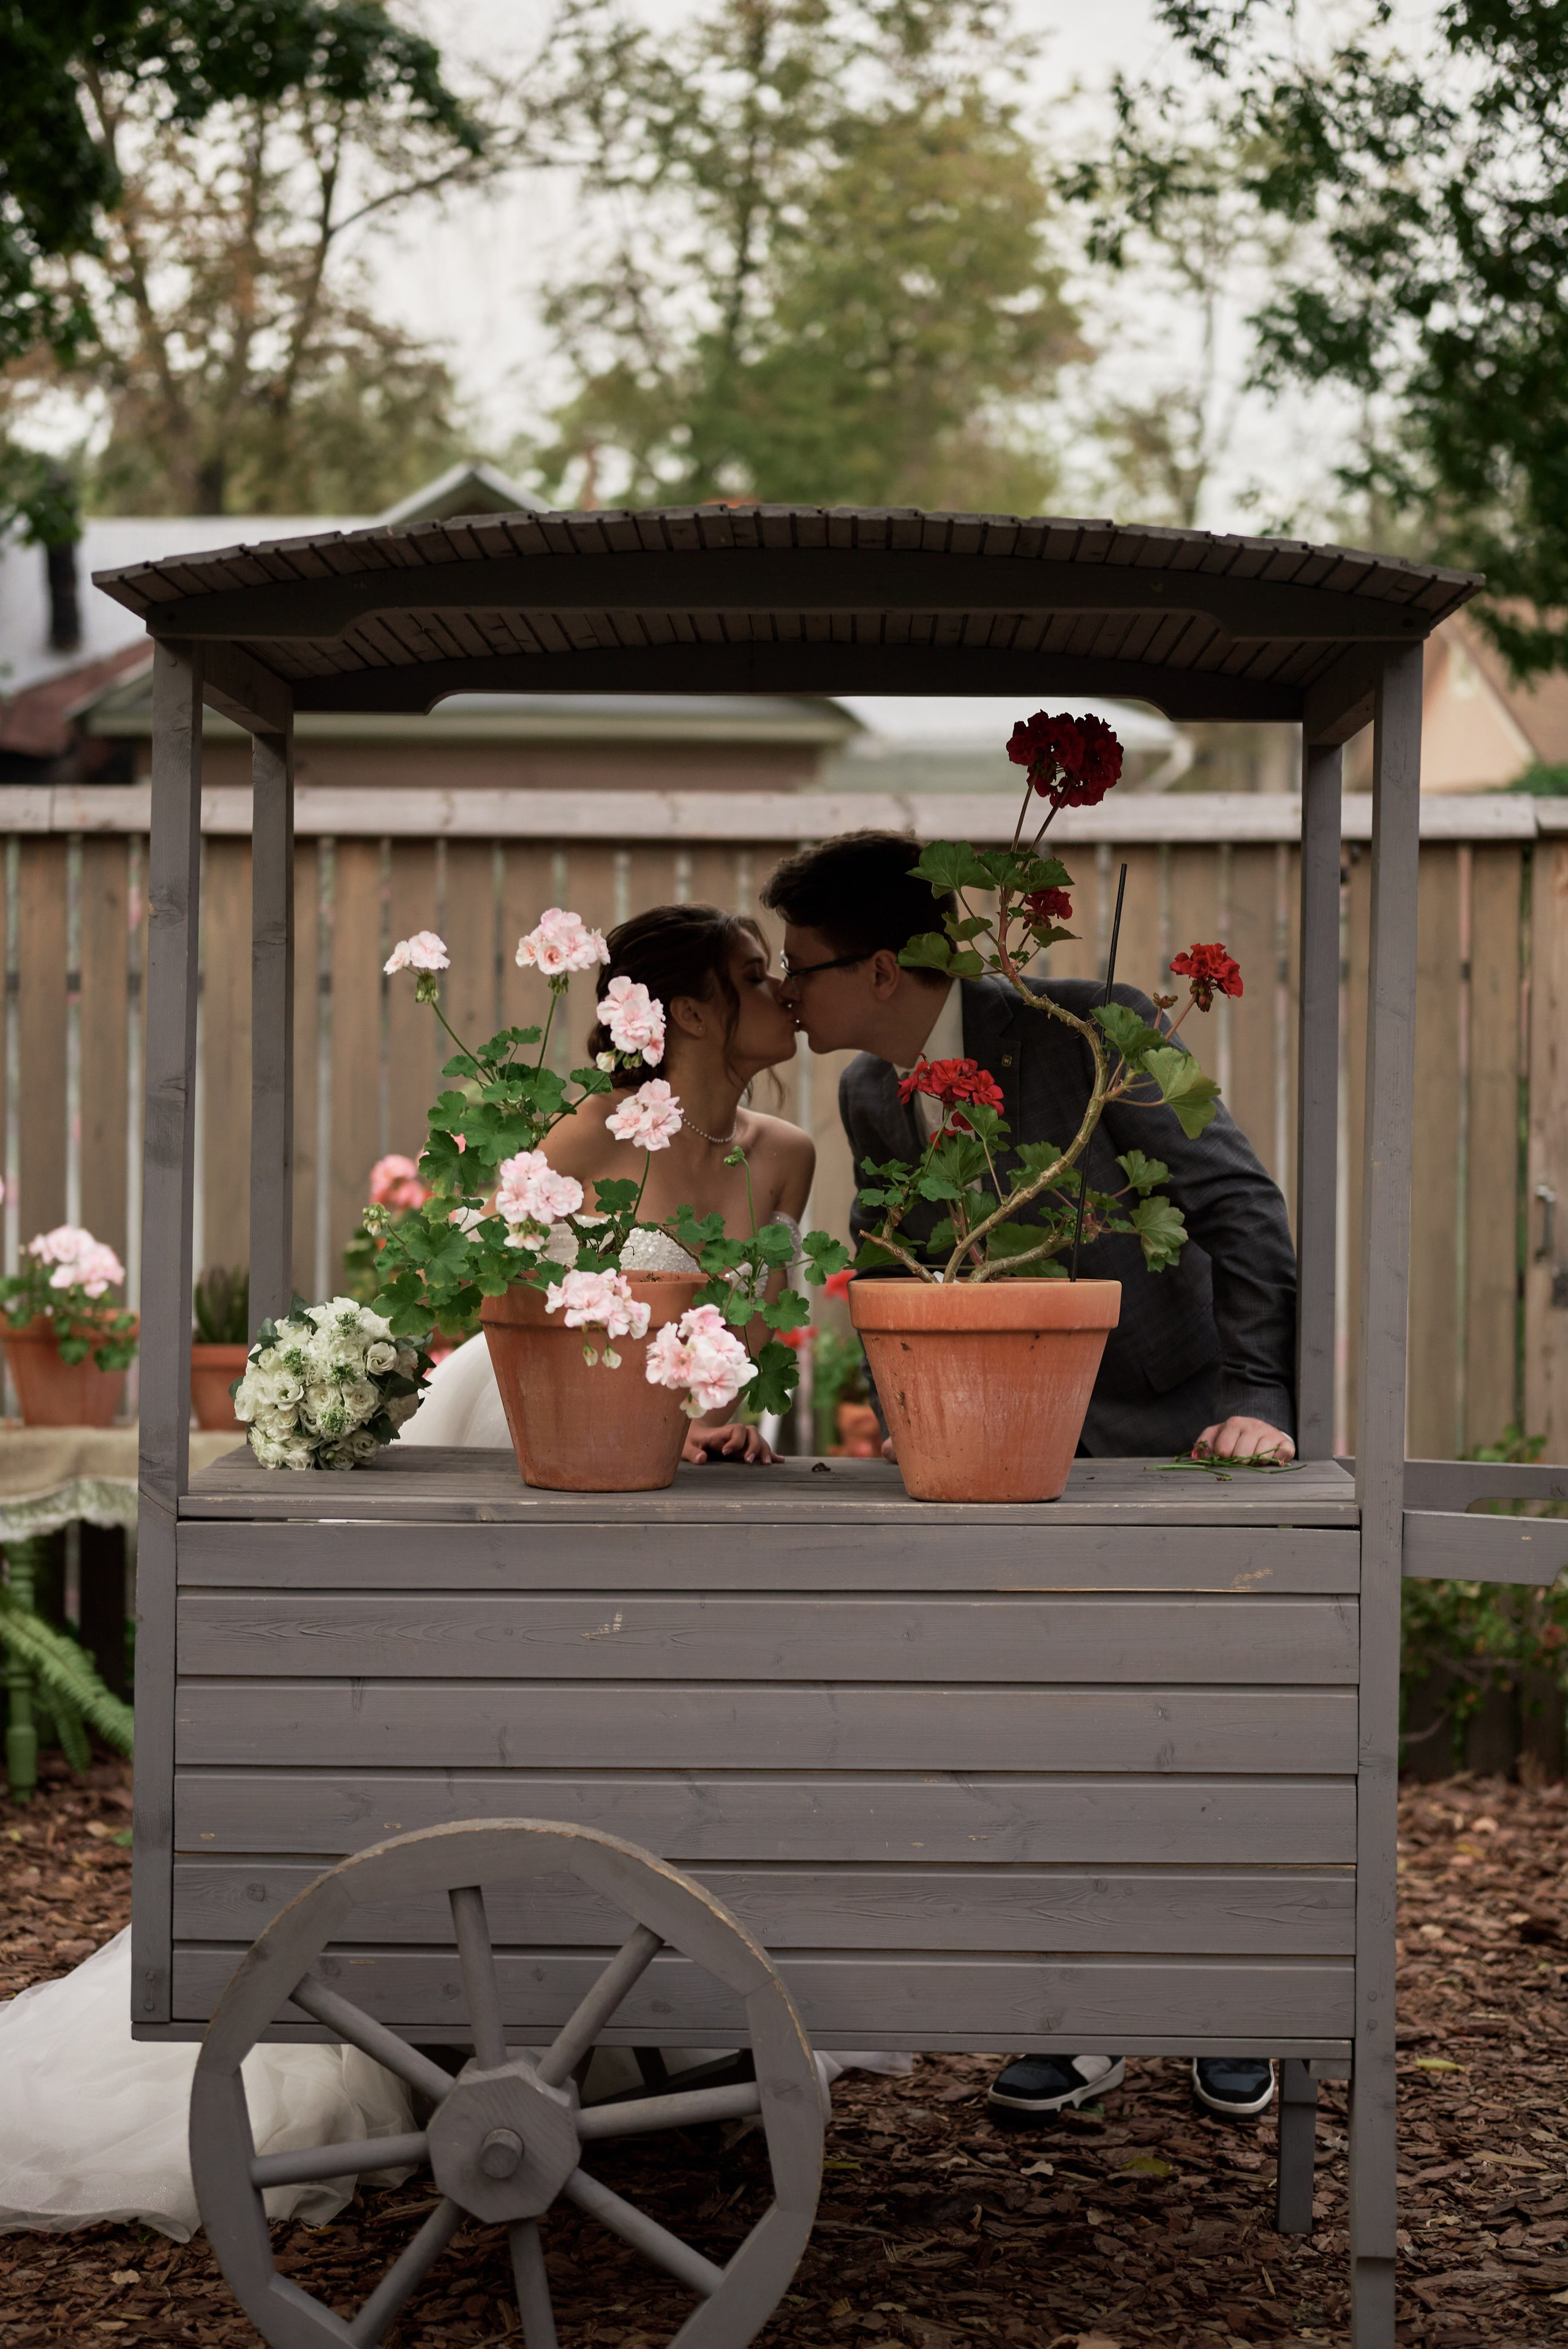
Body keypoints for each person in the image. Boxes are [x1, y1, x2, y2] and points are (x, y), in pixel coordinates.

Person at [762, 829, 1297, 2127]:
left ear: (881, 966)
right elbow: (893, 1269)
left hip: (1169, 1427)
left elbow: (1235, 1210)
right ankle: (1086, 2018)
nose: (787, 999)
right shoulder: (870, 1098)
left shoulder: (1089, 1025)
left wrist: (1255, 1401)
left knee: (1199, 1741)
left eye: (802, 973)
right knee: (1048, 1741)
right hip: (998, 1461)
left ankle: (1230, 2010)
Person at [402, 903, 813, 1465]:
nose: (784, 989)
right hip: (551, 1424)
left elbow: (753, 1329)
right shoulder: (592, 1130)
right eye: (752, 976)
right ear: (692, 1014)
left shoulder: (788, 1156)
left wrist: (709, 1427)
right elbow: (465, 1265)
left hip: (678, 1459)